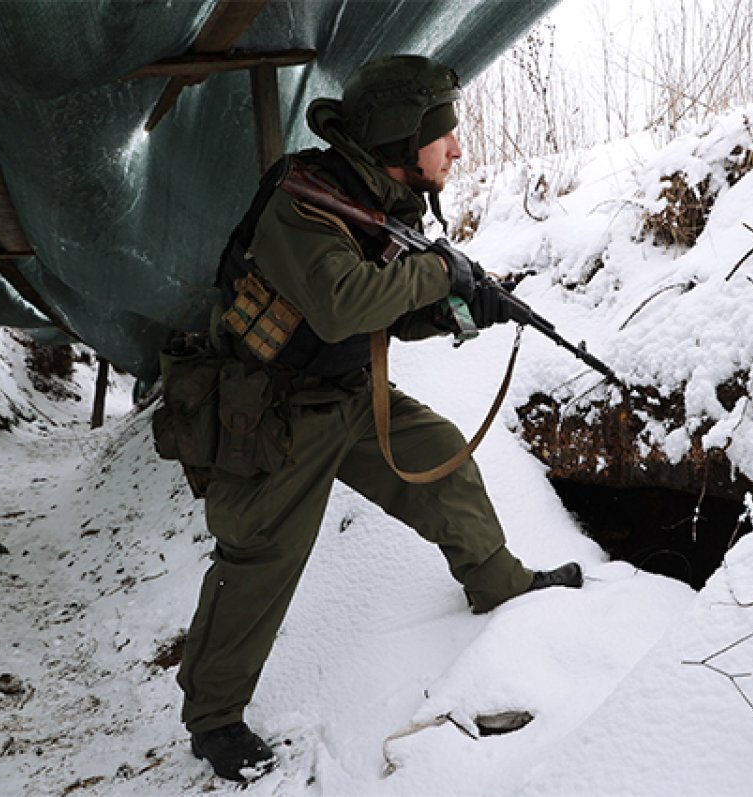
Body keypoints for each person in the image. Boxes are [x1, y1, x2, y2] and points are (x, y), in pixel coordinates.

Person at [174, 54, 583, 783]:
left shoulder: (380, 202)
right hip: (275, 412)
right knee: (260, 559)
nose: (456, 148)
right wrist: (440, 273)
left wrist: (464, 308)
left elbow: (387, 309)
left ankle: (498, 582)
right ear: (400, 139)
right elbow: (343, 301)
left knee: (442, 456)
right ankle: (213, 719)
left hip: (347, 394)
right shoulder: (303, 200)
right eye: (443, 134)